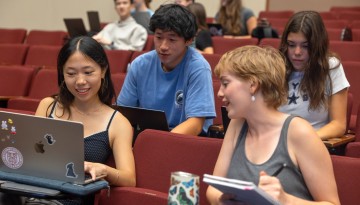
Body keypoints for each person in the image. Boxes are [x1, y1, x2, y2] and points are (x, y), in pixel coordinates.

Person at [206, 45, 340, 205]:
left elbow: (332, 204)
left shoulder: (299, 132)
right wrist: (221, 200)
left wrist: (286, 200)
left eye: (226, 83)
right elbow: (213, 189)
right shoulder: (237, 124)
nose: (220, 92)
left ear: (253, 85)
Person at [35, 36, 136, 204]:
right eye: (71, 74)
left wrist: (103, 169)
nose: (80, 81)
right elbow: (30, 155)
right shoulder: (47, 106)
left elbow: (129, 179)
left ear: (103, 70)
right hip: (34, 192)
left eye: (88, 72)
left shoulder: (118, 123)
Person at [117, 3, 216, 136]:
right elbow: (123, 114)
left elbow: (196, 123)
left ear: (188, 40)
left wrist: (162, 143)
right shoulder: (140, 64)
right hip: (146, 137)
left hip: (184, 141)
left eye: (172, 39)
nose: (163, 46)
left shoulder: (198, 68)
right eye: (158, 37)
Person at [278, 11, 349, 140]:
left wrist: (305, 140)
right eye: (291, 45)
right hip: (275, 142)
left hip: (313, 143)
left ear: (317, 46)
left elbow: (338, 125)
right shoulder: (276, 65)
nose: (297, 52)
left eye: (305, 46)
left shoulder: (330, 67)